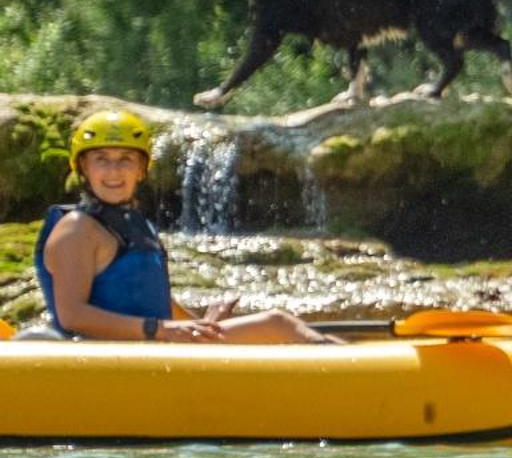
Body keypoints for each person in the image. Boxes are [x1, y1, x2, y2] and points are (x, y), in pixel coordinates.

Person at [34, 108, 329, 343]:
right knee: (279, 324)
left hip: (148, 347)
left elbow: (152, 300)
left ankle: (352, 376)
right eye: (101, 159)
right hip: (101, 361)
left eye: (125, 159)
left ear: (141, 169)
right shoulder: (76, 230)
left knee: (277, 323)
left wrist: (201, 323)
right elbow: (73, 316)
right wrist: (161, 330)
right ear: (84, 168)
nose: (114, 170)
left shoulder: (138, 225)